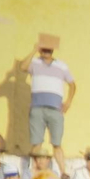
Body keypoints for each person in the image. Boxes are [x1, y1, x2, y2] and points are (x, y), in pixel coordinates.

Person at [26, 34, 75, 170]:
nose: (46, 52)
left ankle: (63, 171)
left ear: (53, 51)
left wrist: (68, 102)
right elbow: (23, 67)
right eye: (44, 49)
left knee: (57, 143)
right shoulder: (35, 63)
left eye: (49, 50)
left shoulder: (61, 66)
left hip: (55, 109)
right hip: (37, 107)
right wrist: (34, 50)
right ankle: (33, 171)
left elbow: (72, 84)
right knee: (36, 143)